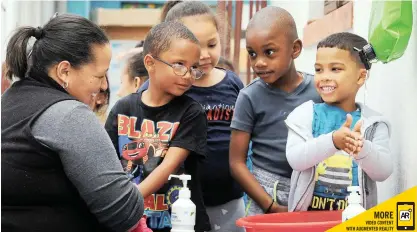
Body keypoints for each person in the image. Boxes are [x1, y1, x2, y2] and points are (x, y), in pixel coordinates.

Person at [1, 14, 144, 232]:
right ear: (64, 71)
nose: (105, 86)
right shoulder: (69, 114)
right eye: (100, 75)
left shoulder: (7, 103)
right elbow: (124, 212)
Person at [139, 2, 246, 231]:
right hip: (173, 203)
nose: (205, 55)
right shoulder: (164, 89)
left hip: (228, 199)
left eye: (212, 44)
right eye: (196, 46)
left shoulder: (233, 84)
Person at [105, 21, 210, 232]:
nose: (188, 75)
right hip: (132, 223)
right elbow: (105, 162)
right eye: (179, 65)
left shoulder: (191, 113)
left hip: (179, 223)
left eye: (194, 68)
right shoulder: (122, 108)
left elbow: (167, 167)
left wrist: (125, 203)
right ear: (150, 63)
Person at [229, 6, 322, 216]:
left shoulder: (319, 92)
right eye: (252, 54)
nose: (259, 62)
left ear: (295, 49)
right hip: (265, 192)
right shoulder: (249, 97)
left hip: (315, 191)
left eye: (269, 52)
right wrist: (269, 205)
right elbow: (236, 163)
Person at [285, 32, 393, 212]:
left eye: (335, 69)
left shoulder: (373, 124)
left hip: (355, 223)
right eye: (319, 69)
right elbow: (295, 159)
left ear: (360, 77)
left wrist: (361, 149)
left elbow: (383, 172)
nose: (324, 76)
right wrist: (333, 141)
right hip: (307, 222)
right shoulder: (305, 114)